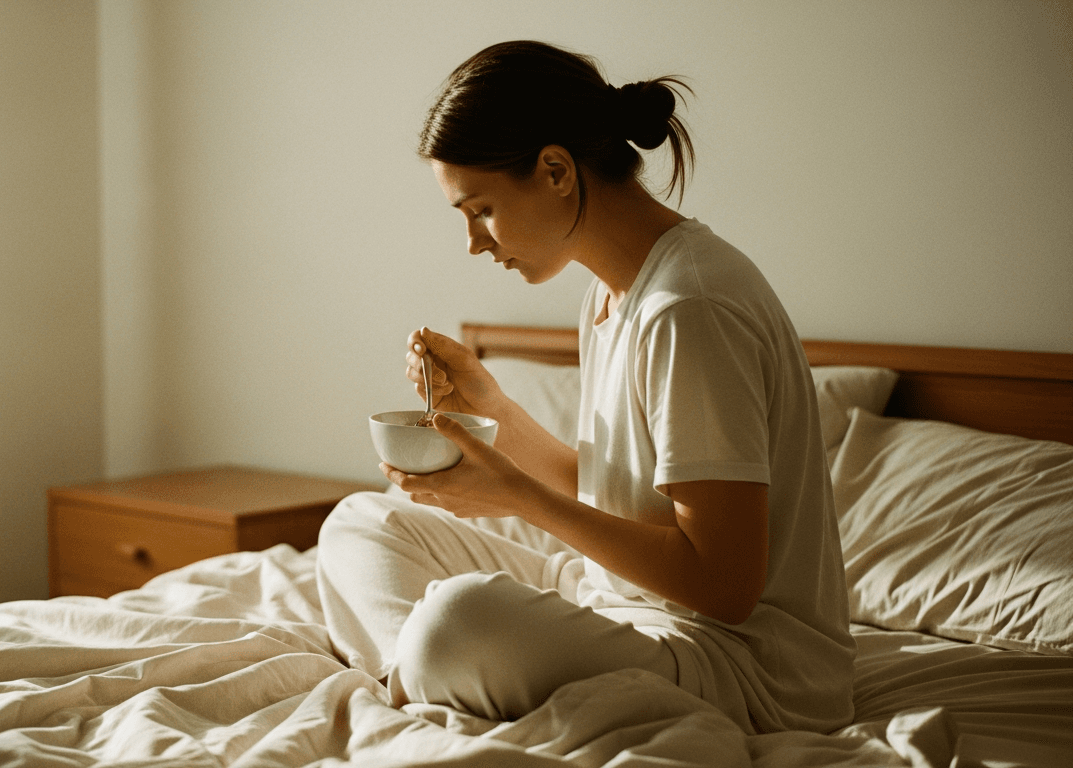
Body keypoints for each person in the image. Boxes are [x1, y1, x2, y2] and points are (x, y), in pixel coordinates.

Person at [316, 40, 854, 733]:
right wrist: (494, 408)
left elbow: (723, 587)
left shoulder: (690, 308)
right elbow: (618, 495)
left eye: (480, 210)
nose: (476, 243)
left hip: (737, 663)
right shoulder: (611, 293)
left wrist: (520, 499)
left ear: (555, 170)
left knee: (461, 619)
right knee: (361, 524)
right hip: (616, 604)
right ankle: (420, 673)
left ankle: (428, 670)